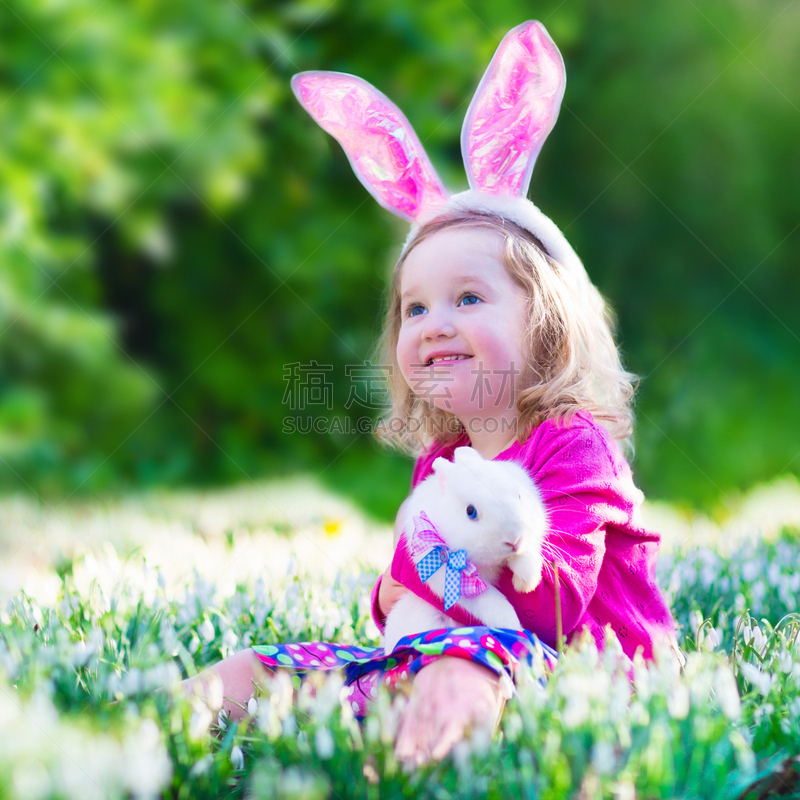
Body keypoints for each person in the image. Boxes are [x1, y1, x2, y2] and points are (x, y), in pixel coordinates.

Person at [184, 20, 677, 767]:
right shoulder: (444, 458)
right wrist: (400, 593)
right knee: (255, 668)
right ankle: (135, 739)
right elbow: (403, 609)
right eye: (415, 308)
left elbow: (541, 606)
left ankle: (421, 771)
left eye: (469, 299)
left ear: (547, 323)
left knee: (459, 666)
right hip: (451, 654)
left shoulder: (577, 449)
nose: (434, 326)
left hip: (580, 678)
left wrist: (407, 580)